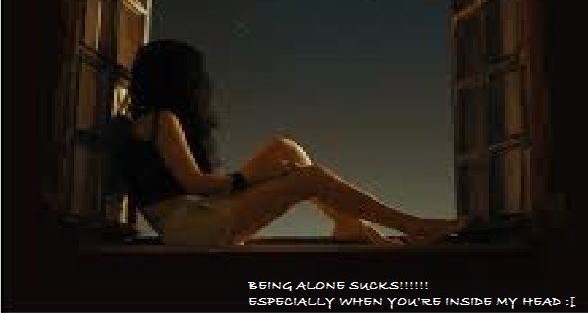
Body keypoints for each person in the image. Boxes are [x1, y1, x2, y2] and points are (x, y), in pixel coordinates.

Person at [113, 39, 466, 247]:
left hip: (195, 218)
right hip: (192, 229)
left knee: (285, 148)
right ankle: (412, 225)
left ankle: (347, 224)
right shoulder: (162, 119)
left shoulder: (150, 120)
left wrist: (262, 178)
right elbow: (195, 184)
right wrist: (250, 178)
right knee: (309, 179)